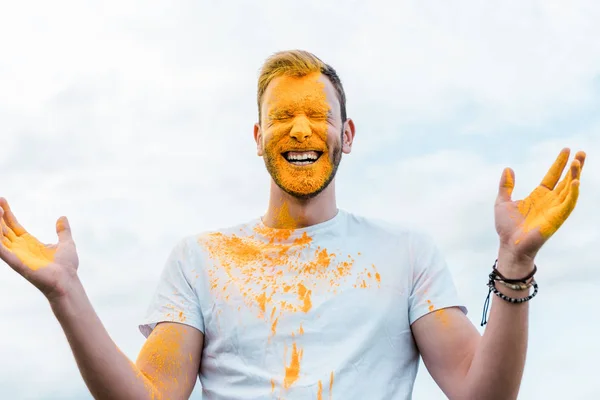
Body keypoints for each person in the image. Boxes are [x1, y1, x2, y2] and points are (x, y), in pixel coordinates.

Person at [0, 50, 586, 400]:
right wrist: (66, 294)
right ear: (258, 139)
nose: (301, 130)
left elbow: (479, 390)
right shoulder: (201, 258)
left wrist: (516, 262)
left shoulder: (408, 253)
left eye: (317, 115)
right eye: (282, 117)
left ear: (347, 136)